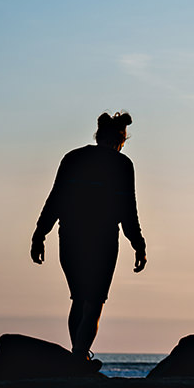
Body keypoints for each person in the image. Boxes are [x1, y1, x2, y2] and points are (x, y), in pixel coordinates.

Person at [31, 111, 147, 371]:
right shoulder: (122, 164)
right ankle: (79, 356)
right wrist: (138, 243)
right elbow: (128, 208)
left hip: (69, 235)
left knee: (79, 298)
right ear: (122, 140)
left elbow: (56, 198)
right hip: (103, 238)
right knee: (94, 301)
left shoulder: (73, 158)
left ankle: (78, 357)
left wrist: (40, 234)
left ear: (98, 136)